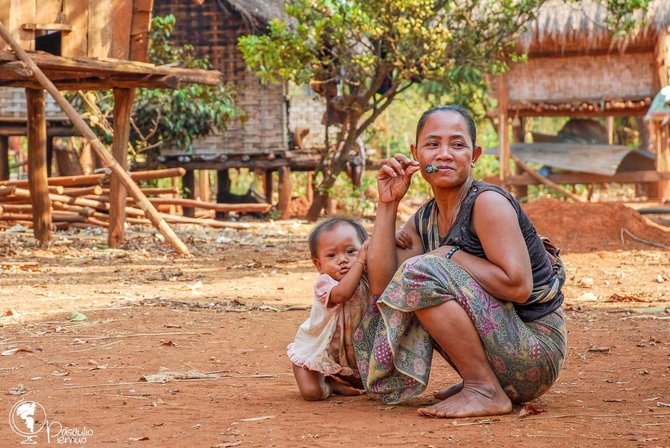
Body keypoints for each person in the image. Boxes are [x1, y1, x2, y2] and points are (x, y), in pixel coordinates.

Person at [354, 105, 567, 418]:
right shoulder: (426, 218)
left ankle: (485, 389)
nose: (444, 154)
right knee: (412, 280)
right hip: (505, 359)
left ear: (474, 155)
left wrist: (450, 254)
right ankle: (483, 381)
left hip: (535, 354)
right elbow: (384, 286)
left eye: (457, 145)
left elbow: (520, 287)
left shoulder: (487, 203)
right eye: (432, 144)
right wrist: (388, 203)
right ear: (416, 154)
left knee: (420, 272)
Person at [288, 217, 372, 401]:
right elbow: (343, 294)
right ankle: (329, 385)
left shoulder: (368, 277)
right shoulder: (325, 284)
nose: (342, 260)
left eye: (351, 251)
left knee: (370, 387)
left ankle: (338, 380)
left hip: (351, 358)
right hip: (318, 352)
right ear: (318, 265)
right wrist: (359, 261)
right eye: (331, 255)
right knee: (312, 393)